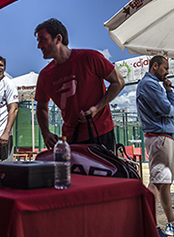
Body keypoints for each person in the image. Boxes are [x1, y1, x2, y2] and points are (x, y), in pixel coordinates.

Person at [34, 18, 125, 152]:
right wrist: (45, 133)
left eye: (43, 39)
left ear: (58, 39)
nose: (39, 46)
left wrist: (97, 108)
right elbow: (41, 107)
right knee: (73, 174)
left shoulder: (90, 57)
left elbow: (119, 82)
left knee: (103, 173)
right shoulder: (44, 75)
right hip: (71, 139)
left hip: (100, 132)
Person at [136, 55, 174, 237]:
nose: (167, 72)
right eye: (165, 68)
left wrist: (168, 91)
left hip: (163, 138)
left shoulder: (154, 85)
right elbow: (168, 110)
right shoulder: (149, 84)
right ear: (155, 66)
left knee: (164, 184)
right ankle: (151, 226)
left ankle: (171, 222)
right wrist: (171, 94)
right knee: (157, 183)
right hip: (159, 138)